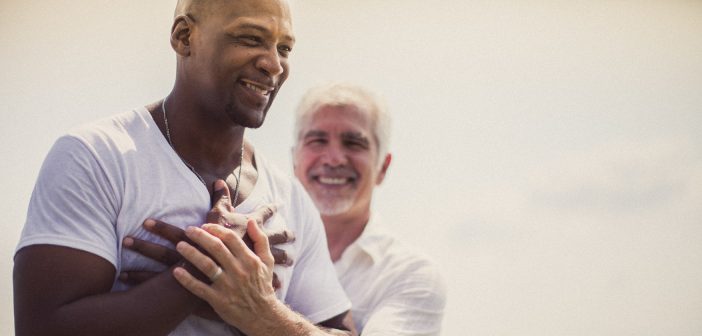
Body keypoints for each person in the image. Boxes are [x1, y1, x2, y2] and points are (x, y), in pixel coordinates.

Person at [13, 0, 355, 335]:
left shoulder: (289, 199)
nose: (274, 64)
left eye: (284, 48)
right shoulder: (97, 157)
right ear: (184, 37)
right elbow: (42, 328)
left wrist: (262, 315)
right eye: (250, 38)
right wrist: (202, 273)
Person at [292, 83, 447, 335]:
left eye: (353, 143)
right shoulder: (255, 247)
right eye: (317, 140)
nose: (333, 158)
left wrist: (259, 311)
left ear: (383, 167)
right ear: (294, 159)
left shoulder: (410, 275)